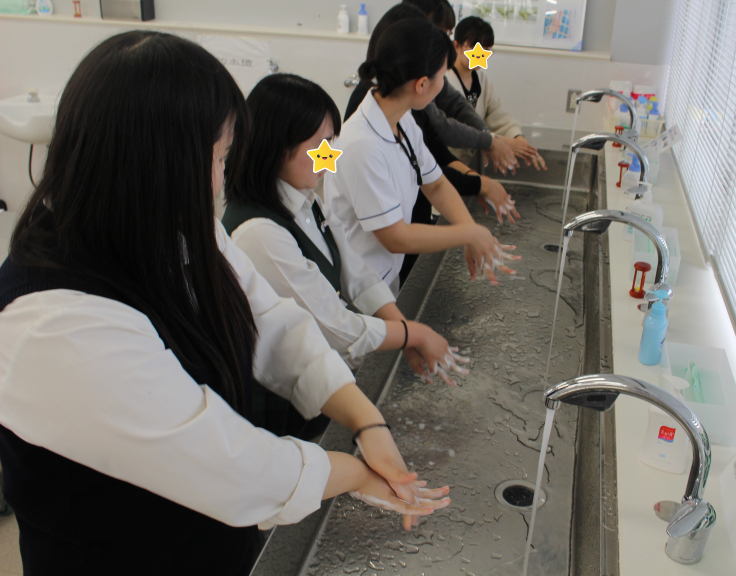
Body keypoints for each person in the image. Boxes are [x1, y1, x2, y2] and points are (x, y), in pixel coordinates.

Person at [0, 31, 448, 575]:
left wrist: (365, 421)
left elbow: (271, 321)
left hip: (213, 541)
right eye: (219, 157)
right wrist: (356, 472)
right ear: (159, 165)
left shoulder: (175, 225)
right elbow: (231, 466)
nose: (220, 178)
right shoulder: (52, 322)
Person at [223, 73, 468, 398]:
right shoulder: (259, 233)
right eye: (319, 146)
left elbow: (357, 274)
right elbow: (335, 327)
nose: (329, 157)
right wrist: (412, 335)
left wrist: (404, 332)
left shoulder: (305, 200)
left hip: (322, 379)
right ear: (277, 146)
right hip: (283, 399)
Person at [325, 18, 520, 298]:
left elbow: (436, 184)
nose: (444, 84)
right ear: (421, 84)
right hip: (355, 290)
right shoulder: (361, 145)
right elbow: (396, 238)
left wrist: (470, 230)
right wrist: (469, 234)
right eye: (442, 76)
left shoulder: (403, 120)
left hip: (382, 279)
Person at [447, 16, 547, 171]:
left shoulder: (481, 79)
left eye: (486, 49)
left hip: (467, 165)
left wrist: (518, 139)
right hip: (446, 163)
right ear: (456, 46)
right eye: (475, 47)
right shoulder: (445, 80)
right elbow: (458, 129)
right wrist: (502, 142)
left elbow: (497, 113)